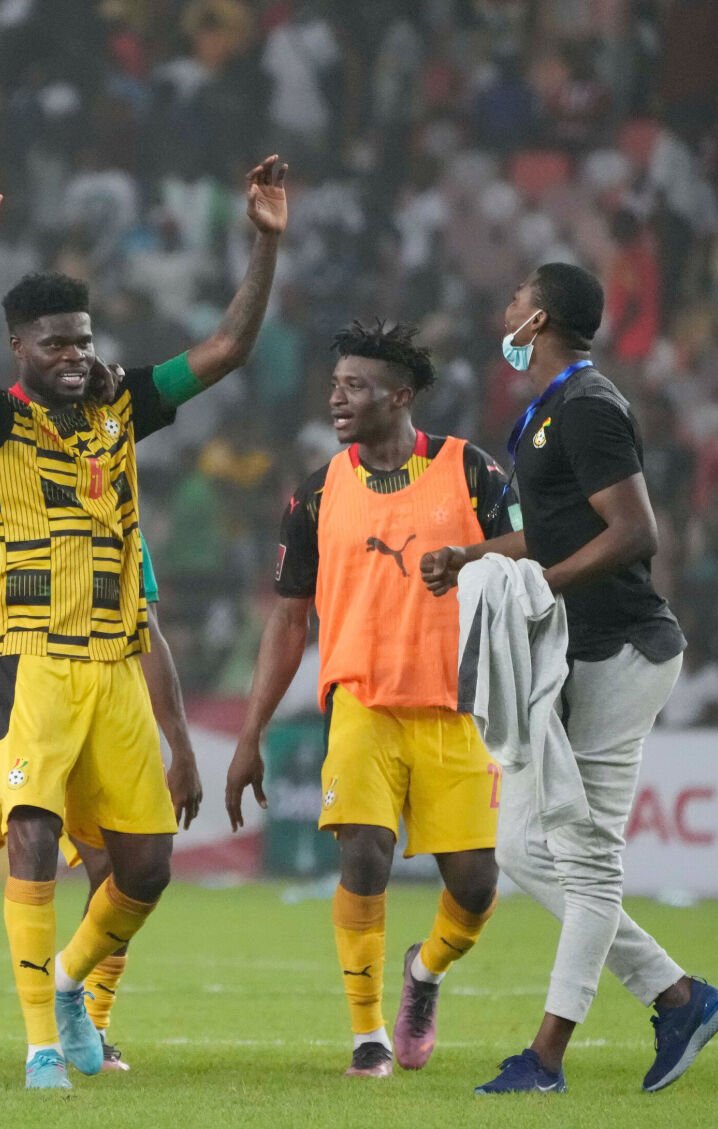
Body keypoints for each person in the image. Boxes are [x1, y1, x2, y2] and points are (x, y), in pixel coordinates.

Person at [0, 156, 285, 1089]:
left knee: (146, 870)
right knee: (38, 837)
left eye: (81, 339)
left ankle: (69, 985)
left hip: (116, 668)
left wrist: (264, 242)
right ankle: (40, 1045)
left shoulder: (122, 403)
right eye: (53, 343)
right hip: (31, 665)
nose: (74, 355)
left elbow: (227, 350)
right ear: (18, 346)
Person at [420, 262, 718, 1095]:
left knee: (586, 860)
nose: (504, 305)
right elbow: (551, 535)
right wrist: (473, 556)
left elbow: (634, 532)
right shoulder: (547, 410)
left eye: (515, 295)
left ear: (542, 317)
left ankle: (546, 1056)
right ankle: (678, 995)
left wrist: (539, 586)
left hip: (621, 652)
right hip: (575, 656)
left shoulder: (589, 405)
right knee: (522, 845)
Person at [225, 321, 512, 1080]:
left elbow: (532, 552)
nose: (336, 397)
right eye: (334, 384)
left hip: (456, 704)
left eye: (355, 385)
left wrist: (478, 561)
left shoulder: (471, 471)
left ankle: (425, 969)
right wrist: (249, 733)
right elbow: (288, 619)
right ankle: (367, 1034)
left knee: (476, 887)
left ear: (400, 394)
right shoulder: (317, 493)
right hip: (360, 704)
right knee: (362, 853)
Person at [0, 495, 201, 1074]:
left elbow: (144, 627)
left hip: (66, 725)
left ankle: (91, 1017)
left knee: (118, 870)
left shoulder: (114, 522)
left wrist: (179, 743)